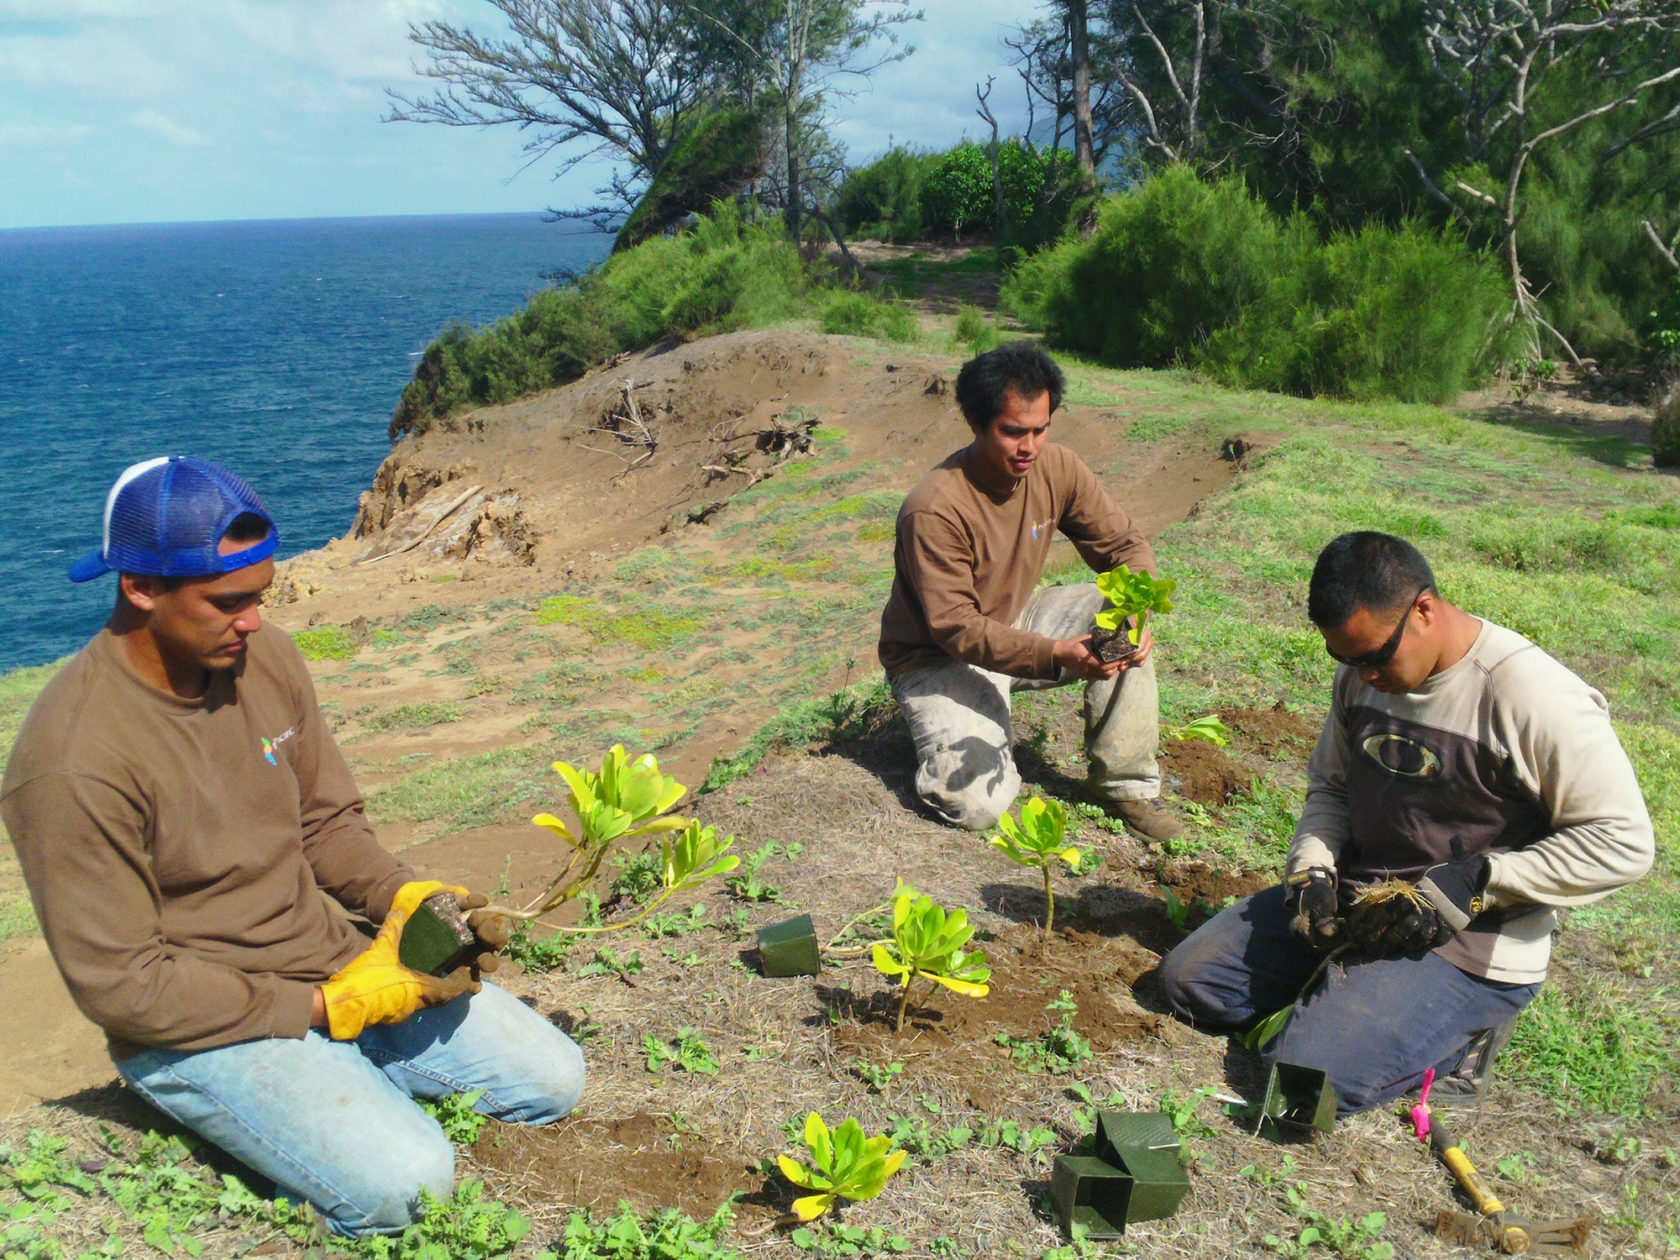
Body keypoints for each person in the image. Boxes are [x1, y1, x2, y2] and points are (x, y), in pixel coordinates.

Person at [1, 456, 585, 1235]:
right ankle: (259, 1094)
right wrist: (317, 1009)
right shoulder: (71, 760)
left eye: (261, 597)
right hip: (198, 1025)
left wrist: (400, 897)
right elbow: (122, 985)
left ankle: (339, 1078)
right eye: (227, 602)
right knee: (411, 1187)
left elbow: (325, 825)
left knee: (555, 1079)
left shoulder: (262, 658)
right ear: (138, 587)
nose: (252, 622)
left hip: (322, 960)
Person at [1158, 531, 1652, 1114]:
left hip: (1469, 940)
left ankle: (1460, 1040)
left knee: (1302, 1089)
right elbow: (1332, 788)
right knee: (1186, 985)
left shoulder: (1532, 697)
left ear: (1423, 610)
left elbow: (1624, 843)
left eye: (1372, 656)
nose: (1361, 675)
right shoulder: (1364, 677)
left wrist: (1480, 879)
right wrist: (1312, 871)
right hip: (1361, 903)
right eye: (1343, 658)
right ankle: (1348, 996)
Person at [877, 340, 1180, 839]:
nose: (1029, 447)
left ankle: (1125, 787)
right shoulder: (934, 507)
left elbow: (1124, 545)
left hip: (1015, 618)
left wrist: (1136, 611)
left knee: (1118, 621)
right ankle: (960, 720)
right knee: (975, 805)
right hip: (937, 657)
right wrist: (1056, 653)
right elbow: (955, 627)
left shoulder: (1057, 467)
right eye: (1013, 432)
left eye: (1041, 429)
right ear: (976, 424)